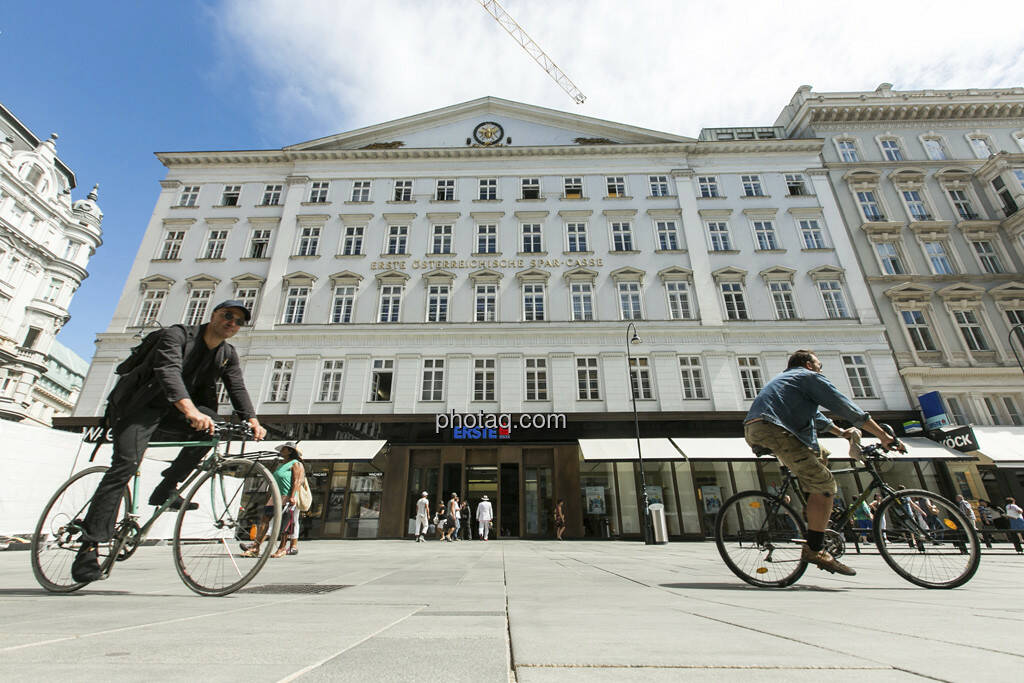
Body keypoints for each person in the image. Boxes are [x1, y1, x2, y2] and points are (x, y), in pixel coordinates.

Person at [72, 300, 266, 583]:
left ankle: (166, 488)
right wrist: (190, 410)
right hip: (140, 408)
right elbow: (168, 371)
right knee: (123, 468)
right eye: (227, 316)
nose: (232, 323)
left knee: (212, 429)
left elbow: (236, 386)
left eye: (238, 321)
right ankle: (89, 548)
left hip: (175, 414)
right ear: (213, 315)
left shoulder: (226, 353)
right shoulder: (175, 335)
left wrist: (251, 419)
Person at [744, 349, 895, 576]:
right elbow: (845, 406)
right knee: (824, 485)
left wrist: (842, 433)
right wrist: (883, 435)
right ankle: (814, 548)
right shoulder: (808, 377)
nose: (820, 368)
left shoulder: (788, 381)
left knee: (820, 453)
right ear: (808, 364)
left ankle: (812, 509)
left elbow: (817, 417)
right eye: (819, 364)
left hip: (760, 428)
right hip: (774, 428)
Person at [244, 442, 305, 559]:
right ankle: (256, 547)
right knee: (265, 519)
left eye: (284, 449)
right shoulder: (282, 464)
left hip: (286, 496)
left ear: (290, 451)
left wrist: (292, 496)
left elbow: (297, 481)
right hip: (275, 496)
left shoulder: (296, 464)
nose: (281, 451)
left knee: (285, 524)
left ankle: (282, 548)